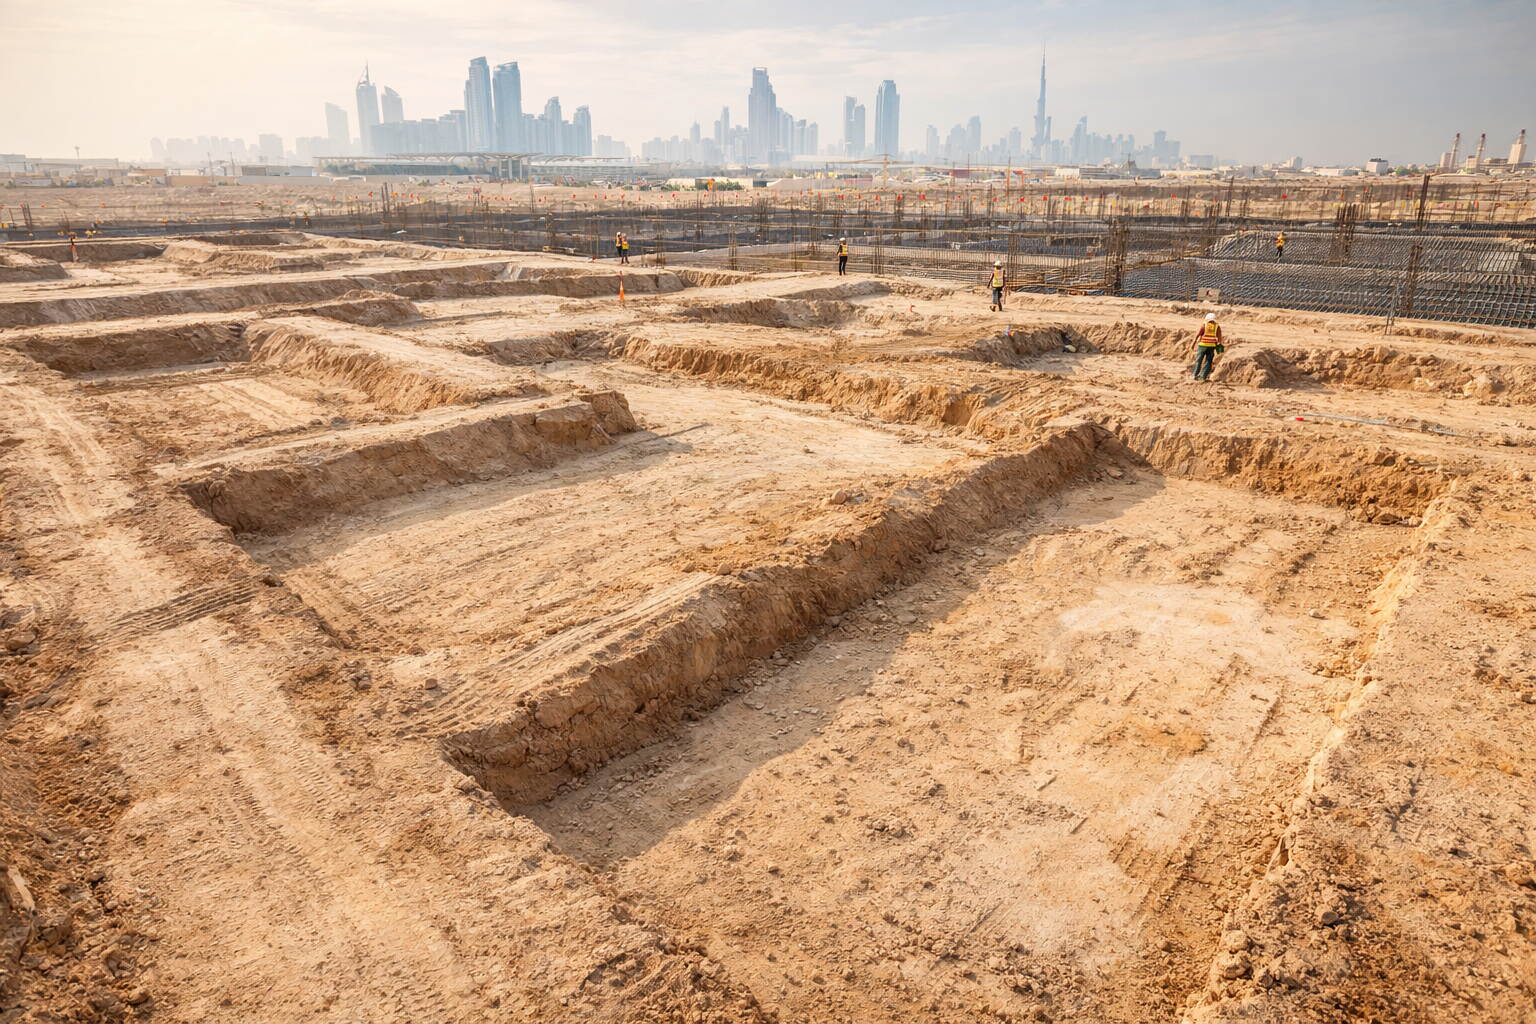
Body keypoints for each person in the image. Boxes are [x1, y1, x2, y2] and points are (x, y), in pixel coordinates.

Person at [1193, 312, 1224, 381]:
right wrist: (1219, 348)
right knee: (1208, 361)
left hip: (1202, 346)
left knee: (1199, 360)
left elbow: (1197, 335)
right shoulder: (1217, 326)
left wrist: (1193, 344)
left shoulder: (1204, 325)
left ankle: (1194, 375)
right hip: (1211, 346)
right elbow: (1219, 338)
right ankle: (1203, 376)